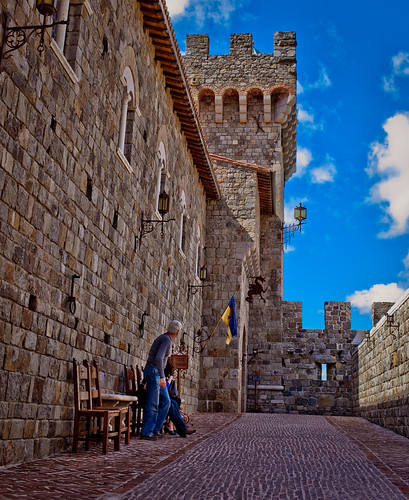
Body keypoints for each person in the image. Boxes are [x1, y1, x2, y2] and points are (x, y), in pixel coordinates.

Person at [140, 320, 182, 441]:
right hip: (155, 372)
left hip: (155, 372)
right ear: (178, 332)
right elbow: (158, 358)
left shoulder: (164, 338)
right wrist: (163, 377)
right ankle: (147, 432)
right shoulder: (166, 340)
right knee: (153, 402)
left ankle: (155, 429)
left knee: (166, 401)